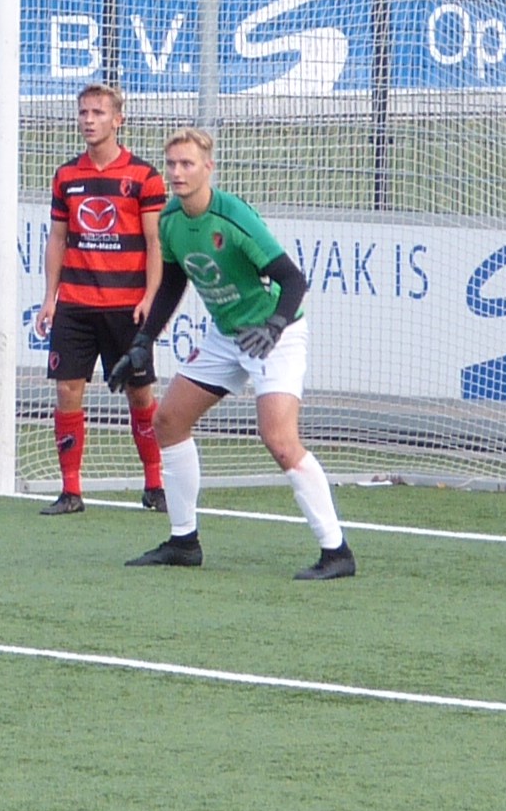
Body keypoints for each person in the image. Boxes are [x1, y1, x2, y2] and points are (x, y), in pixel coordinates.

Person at [117, 129, 355, 579]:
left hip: (274, 332)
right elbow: (172, 282)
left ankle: (337, 552)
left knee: (279, 439)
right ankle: (184, 541)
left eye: (187, 164)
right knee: (167, 421)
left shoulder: (233, 217)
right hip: (227, 336)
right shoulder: (169, 220)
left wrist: (275, 326)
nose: (177, 173)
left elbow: (293, 279)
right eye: (171, 164)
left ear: (209, 168)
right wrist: (144, 340)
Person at [38, 82, 169, 516]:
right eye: (83, 112)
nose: (88, 120)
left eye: (97, 112)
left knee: (139, 394)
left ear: (118, 119)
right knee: (67, 390)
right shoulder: (66, 176)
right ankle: (71, 491)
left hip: (126, 305)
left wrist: (151, 298)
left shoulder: (144, 177)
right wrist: (49, 299)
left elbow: (155, 243)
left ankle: (154, 484)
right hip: (75, 304)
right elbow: (58, 239)